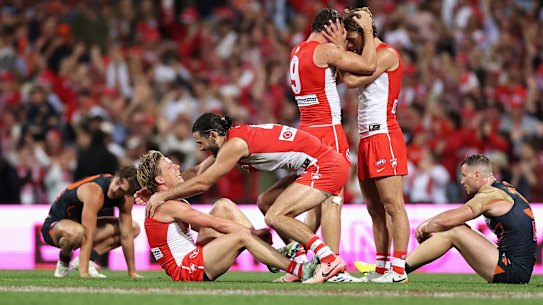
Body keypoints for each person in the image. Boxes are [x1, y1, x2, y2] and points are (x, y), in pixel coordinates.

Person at [139, 113, 350, 283]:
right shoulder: (229, 142)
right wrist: (153, 191)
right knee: (265, 203)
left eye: (200, 142)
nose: (199, 148)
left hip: (326, 165)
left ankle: (329, 260)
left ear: (213, 135)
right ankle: (298, 263)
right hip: (316, 165)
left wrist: (163, 194)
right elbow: (195, 173)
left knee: (275, 216)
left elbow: (204, 183)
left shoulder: (234, 146)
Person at [256, 7, 376, 283]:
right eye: (341, 32)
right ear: (330, 29)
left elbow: (326, 79)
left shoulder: (297, 51)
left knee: (314, 201)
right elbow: (368, 65)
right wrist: (366, 31)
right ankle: (333, 267)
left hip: (306, 134)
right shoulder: (325, 52)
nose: (345, 40)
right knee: (333, 200)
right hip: (328, 132)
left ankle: (302, 260)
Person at [136, 150, 316, 282]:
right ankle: (300, 270)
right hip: (186, 270)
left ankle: (269, 254)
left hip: (194, 258)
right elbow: (215, 225)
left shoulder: (165, 200)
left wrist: (228, 147)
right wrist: (253, 235)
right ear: (160, 180)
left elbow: (201, 227)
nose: (176, 167)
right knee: (242, 235)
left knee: (224, 205)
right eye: (170, 166)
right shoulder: (167, 205)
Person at [337, 7, 410, 283]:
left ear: (365, 31)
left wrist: (362, 33)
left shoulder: (387, 54)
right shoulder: (365, 55)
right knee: (375, 209)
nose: (349, 45)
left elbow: (354, 79)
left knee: (394, 205)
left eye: (351, 37)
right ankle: (381, 268)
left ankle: (399, 269)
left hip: (385, 136)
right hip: (367, 139)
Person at [405, 154, 536, 284]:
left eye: (464, 176)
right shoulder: (503, 188)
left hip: (513, 270)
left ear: (477, 175)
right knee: (458, 228)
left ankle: (399, 270)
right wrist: (428, 223)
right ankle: (400, 268)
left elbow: (448, 221)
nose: (462, 181)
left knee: (455, 230)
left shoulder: (490, 194)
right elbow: (453, 217)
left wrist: (426, 228)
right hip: (518, 267)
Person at [41, 166, 142, 278]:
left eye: (121, 190)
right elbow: (88, 234)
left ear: (128, 194)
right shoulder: (95, 191)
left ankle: (86, 260)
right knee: (78, 232)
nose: (115, 189)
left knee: (133, 228)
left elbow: (126, 236)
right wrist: (84, 274)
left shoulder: (127, 199)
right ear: (116, 175)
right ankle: (64, 260)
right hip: (55, 226)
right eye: (117, 182)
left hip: (80, 226)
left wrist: (132, 273)